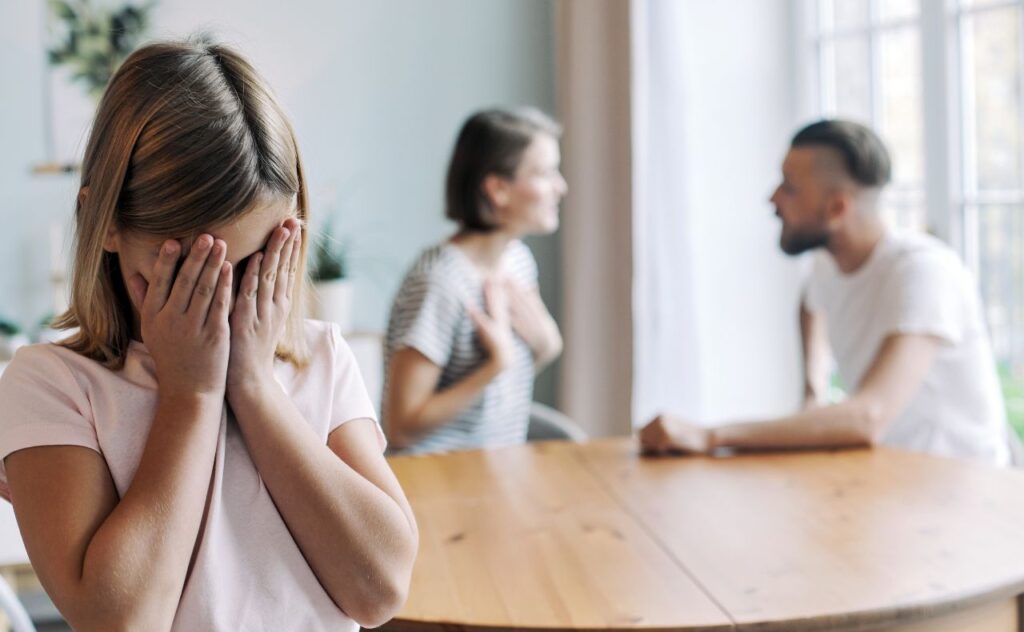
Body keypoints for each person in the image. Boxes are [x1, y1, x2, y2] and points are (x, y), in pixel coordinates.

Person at [0, 39, 417, 630]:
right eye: (193, 272)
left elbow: (379, 591)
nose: (223, 305)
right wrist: (191, 394)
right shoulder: (52, 386)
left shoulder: (320, 357)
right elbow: (122, 621)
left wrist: (252, 384)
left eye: (253, 266)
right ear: (106, 224)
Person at [641, 119, 1012, 466]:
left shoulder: (924, 272)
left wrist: (709, 436)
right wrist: (813, 389)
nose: (773, 199)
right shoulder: (828, 262)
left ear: (837, 208)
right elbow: (809, 304)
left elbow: (869, 416)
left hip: (964, 493)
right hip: (889, 479)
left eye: (789, 187)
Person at [382, 108, 567, 454]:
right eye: (545, 173)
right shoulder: (439, 283)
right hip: (435, 486)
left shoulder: (518, 262)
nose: (561, 186)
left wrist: (547, 345)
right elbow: (401, 428)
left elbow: (504, 386)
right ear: (498, 189)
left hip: (493, 475)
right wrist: (496, 364)